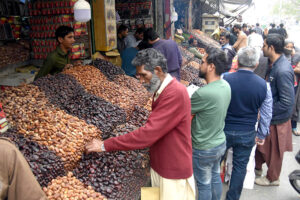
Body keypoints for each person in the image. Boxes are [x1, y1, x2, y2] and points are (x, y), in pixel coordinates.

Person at [85, 48, 195, 200]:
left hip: (172, 169)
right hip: (162, 164)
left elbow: (148, 134)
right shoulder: (162, 90)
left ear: (157, 70)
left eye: (144, 75)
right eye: (139, 76)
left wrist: (105, 145)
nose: (141, 81)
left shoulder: (174, 92)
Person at [223, 47, 273, 200]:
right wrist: (262, 134)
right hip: (246, 132)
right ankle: (232, 198)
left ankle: (211, 194)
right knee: (239, 168)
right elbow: (266, 113)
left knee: (214, 163)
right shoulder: (264, 86)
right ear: (256, 64)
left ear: (237, 61)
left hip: (223, 130)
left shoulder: (225, 78)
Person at [191, 47, 231, 200]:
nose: (200, 65)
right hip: (219, 143)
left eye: (202, 62)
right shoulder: (225, 85)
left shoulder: (203, 93)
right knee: (214, 177)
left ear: (211, 66)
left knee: (203, 183)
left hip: (203, 148)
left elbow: (184, 113)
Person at [255, 34, 295, 186]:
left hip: (278, 118)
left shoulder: (283, 70)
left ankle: (273, 178)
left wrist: (265, 112)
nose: (262, 48)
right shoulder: (273, 64)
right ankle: (257, 168)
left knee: (275, 151)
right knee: (262, 146)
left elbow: (286, 102)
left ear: (271, 48)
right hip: (270, 115)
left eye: (264, 45)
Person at [284, 40, 300, 136]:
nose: (289, 49)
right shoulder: (282, 56)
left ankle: (293, 126)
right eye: (287, 46)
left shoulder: (297, 56)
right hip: (285, 84)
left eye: (291, 47)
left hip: (294, 85)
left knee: (294, 106)